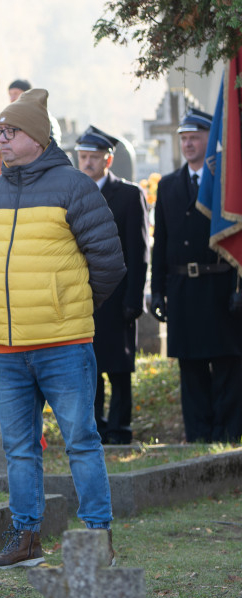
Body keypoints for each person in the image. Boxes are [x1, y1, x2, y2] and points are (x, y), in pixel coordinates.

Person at [0, 89, 125, 568]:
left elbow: (109, 264)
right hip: (9, 348)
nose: (2, 141)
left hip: (65, 343)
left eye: (10, 132)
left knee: (81, 441)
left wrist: (68, 305)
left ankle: (98, 538)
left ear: (36, 137)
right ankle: (26, 539)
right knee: (18, 449)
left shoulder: (75, 187)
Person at [151, 108, 242, 443]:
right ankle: (199, 435)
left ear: (209, 139)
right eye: (184, 139)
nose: (188, 144)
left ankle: (229, 434)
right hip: (183, 290)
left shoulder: (228, 185)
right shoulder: (169, 185)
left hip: (220, 286)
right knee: (190, 368)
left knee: (227, 365)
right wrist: (157, 289)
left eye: (195, 137)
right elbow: (161, 241)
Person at [75, 125, 150, 445]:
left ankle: (119, 429)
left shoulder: (129, 195)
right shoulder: (72, 194)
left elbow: (138, 249)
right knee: (88, 369)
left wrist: (135, 298)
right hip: (82, 297)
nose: (87, 163)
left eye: (93, 157)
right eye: (82, 157)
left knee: (118, 368)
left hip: (118, 297)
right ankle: (95, 427)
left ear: (108, 160)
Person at [7, 78, 61, 147]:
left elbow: (51, 145)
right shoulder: (13, 119)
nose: (12, 98)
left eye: (16, 93)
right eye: (10, 94)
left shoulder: (41, 115)